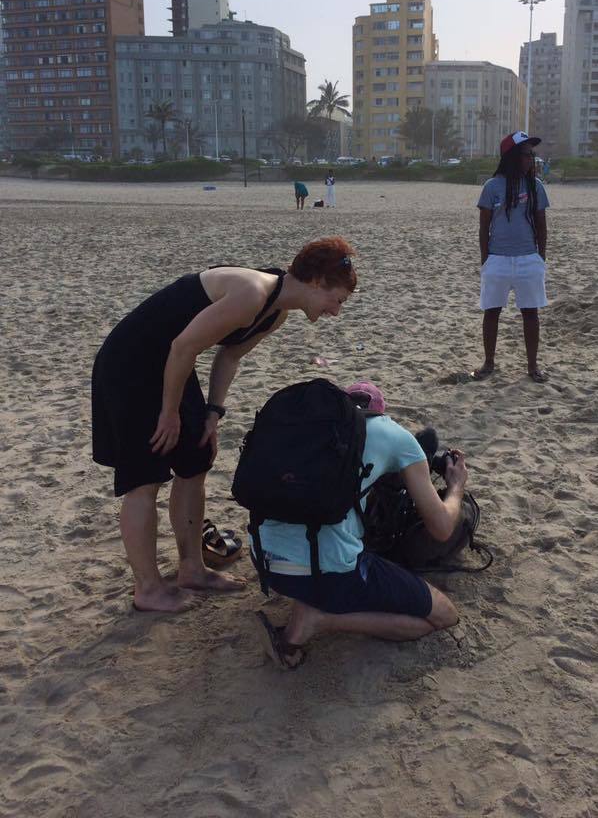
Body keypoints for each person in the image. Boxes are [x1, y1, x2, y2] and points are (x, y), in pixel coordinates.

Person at [91, 237, 357, 612]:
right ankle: (148, 588)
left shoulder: (275, 312)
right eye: (337, 300)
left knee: (196, 459)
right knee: (144, 478)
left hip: (172, 365)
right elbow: (183, 346)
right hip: (130, 365)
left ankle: (192, 569)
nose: (336, 312)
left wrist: (212, 414)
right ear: (316, 282)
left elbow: (229, 357)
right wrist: (169, 412)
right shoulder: (252, 293)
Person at [254, 380, 467, 669]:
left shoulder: (310, 432)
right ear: (381, 412)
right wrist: (456, 487)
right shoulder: (394, 435)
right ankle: (319, 618)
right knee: (444, 615)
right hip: (325, 572)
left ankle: (314, 601)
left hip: (266, 563)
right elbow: (441, 528)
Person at [473, 130, 550, 384]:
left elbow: (542, 225)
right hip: (497, 260)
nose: (530, 159)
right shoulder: (491, 187)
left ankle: (532, 366)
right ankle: (489, 363)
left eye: (531, 154)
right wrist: (486, 260)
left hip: (528, 259)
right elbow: (484, 227)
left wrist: (540, 258)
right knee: (492, 312)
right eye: (526, 154)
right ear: (512, 157)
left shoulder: (535, 186)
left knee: (530, 313)